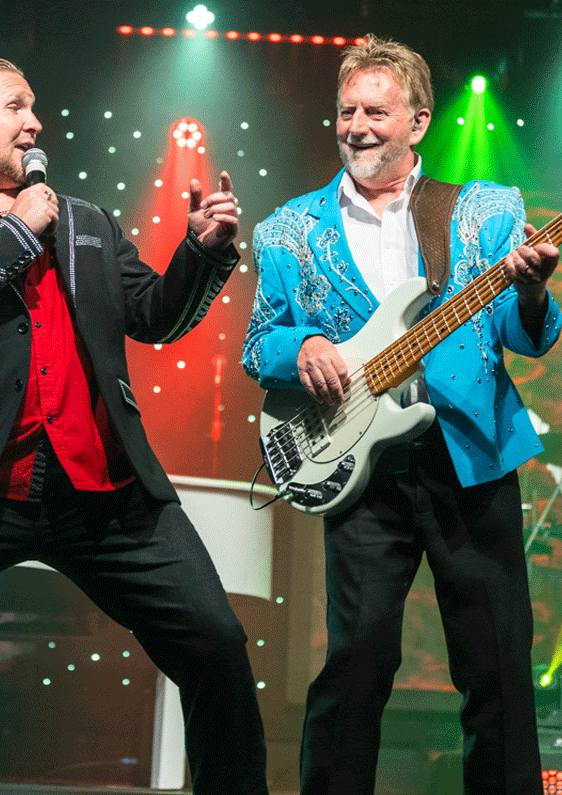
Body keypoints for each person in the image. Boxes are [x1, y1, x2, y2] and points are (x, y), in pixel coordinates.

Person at [0, 54, 268, 795]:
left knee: (217, 643)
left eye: (34, 108)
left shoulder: (85, 221)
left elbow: (157, 316)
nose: (35, 122)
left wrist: (203, 251)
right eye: (15, 106)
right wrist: (15, 235)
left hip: (102, 492)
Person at [242, 34, 561, 795]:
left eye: (375, 111)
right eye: (346, 110)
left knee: (497, 670)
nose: (356, 125)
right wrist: (305, 345)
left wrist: (529, 288)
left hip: (472, 459)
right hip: (362, 468)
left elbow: (529, 337)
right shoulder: (288, 229)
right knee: (356, 664)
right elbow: (260, 344)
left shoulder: (486, 211)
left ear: (417, 123)